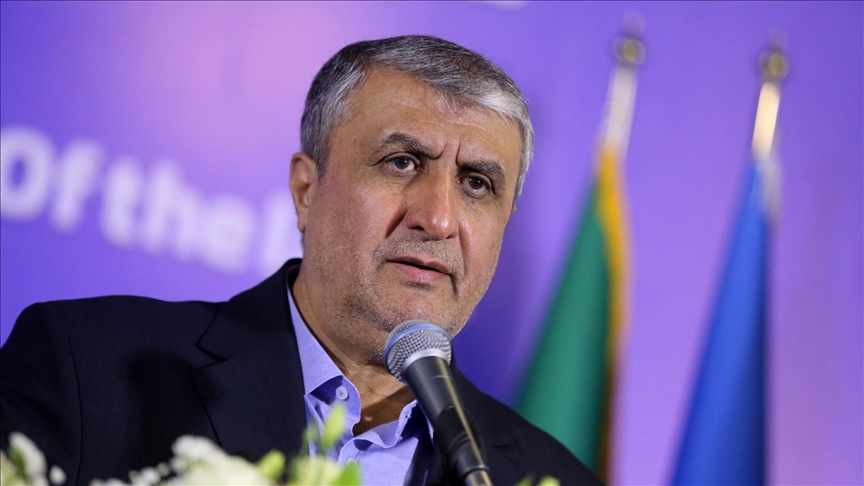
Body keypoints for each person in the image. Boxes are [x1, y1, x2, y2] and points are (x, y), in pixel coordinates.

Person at [1, 35, 602, 485]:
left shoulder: (546, 477)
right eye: (402, 163)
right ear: (306, 191)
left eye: (476, 184)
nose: (438, 219)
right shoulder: (84, 364)